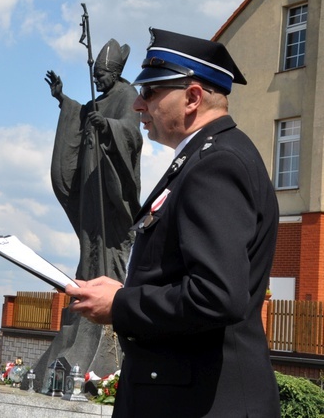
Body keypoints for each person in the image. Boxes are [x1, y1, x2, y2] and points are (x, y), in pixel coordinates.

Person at [67, 28, 281, 418]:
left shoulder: (216, 164)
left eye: (149, 93)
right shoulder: (205, 158)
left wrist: (121, 303)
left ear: (193, 98)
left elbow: (216, 294)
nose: (136, 105)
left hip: (203, 402)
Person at [46, 39, 142, 282]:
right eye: (94, 75)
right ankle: (88, 281)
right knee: (89, 233)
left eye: (99, 75)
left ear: (114, 73)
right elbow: (81, 114)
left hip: (109, 181)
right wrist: (61, 98)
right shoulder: (99, 100)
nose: (95, 81)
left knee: (107, 234)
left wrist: (108, 125)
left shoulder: (127, 95)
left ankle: (107, 286)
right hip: (90, 176)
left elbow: (132, 132)